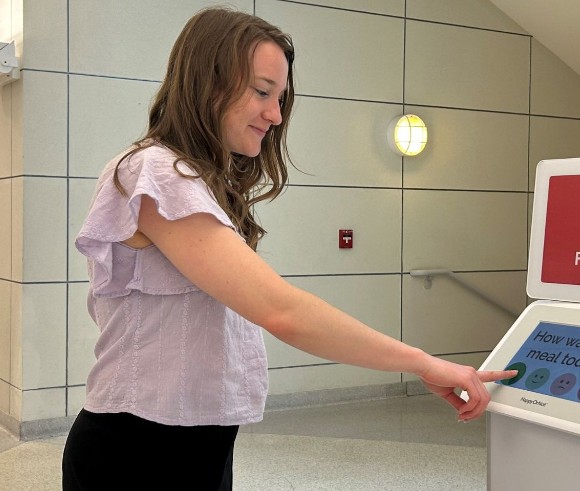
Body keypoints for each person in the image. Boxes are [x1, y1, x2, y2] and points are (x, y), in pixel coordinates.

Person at [62, 7, 515, 490]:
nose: (275, 115)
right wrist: (425, 362)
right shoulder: (153, 172)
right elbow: (282, 312)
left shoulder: (195, 183)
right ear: (206, 82)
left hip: (196, 443)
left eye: (280, 98)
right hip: (137, 451)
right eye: (261, 92)